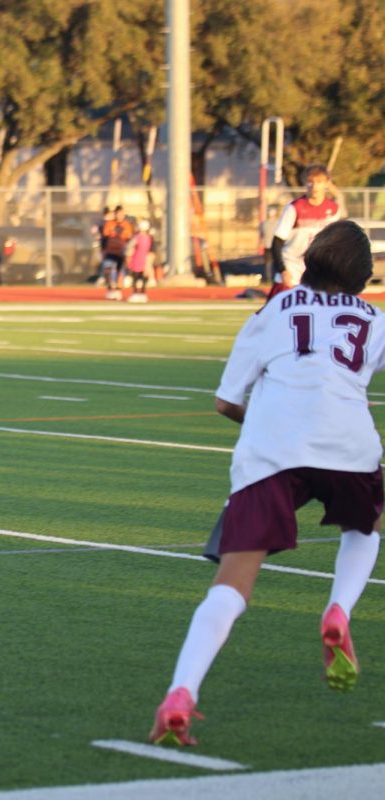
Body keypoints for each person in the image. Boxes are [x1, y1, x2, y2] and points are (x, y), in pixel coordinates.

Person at [149, 220, 383, 746]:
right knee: (363, 528)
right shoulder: (375, 318)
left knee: (232, 586)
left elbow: (227, 402)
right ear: (363, 276)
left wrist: (269, 419)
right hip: (350, 445)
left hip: (273, 449)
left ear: (311, 261)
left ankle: (182, 691)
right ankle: (339, 607)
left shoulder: (274, 310)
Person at [270, 164, 343, 295]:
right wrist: (283, 270)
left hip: (317, 270)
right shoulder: (294, 208)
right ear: (304, 183)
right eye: (310, 182)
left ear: (327, 183)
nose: (314, 186)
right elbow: (277, 242)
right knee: (278, 312)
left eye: (319, 182)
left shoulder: (333, 210)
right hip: (292, 269)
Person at [101, 206, 134, 300]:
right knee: (108, 269)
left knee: (120, 271)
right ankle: (110, 289)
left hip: (121, 251)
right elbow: (105, 238)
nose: (120, 215)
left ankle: (118, 291)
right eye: (118, 213)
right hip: (110, 251)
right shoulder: (109, 224)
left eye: (121, 213)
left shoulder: (127, 225)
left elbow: (129, 239)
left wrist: (129, 253)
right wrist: (103, 250)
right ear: (115, 214)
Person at [125, 219, 153, 303]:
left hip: (137, 258)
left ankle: (136, 293)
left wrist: (128, 255)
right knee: (142, 277)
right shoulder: (149, 238)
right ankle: (142, 293)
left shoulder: (137, 237)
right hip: (144, 259)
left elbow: (130, 246)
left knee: (136, 277)